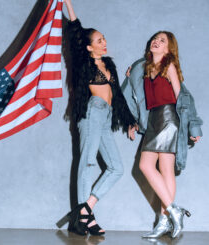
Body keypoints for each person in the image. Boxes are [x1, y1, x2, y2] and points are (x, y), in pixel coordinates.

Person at [57, 0, 136, 236]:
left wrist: (130, 121)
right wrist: (69, 5)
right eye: (99, 40)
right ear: (89, 47)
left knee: (116, 168)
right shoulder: (84, 62)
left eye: (104, 39)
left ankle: (85, 210)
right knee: (88, 161)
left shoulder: (109, 65)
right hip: (92, 113)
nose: (104, 43)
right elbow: (76, 34)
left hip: (106, 117)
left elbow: (118, 96)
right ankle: (84, 217)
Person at [124, 31, 203, 238]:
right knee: (162, 169)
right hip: (154, 119)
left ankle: (170, 213)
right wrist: (132, 122)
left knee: (148, 166)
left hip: (169, 118)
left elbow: (182, 98)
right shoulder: (144, 68)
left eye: (162, 41)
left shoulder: (169, 66)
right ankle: (166, 219)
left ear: (169, 49)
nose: (156, 42)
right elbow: (137, 98)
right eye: (155, 39)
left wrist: (191, 126)